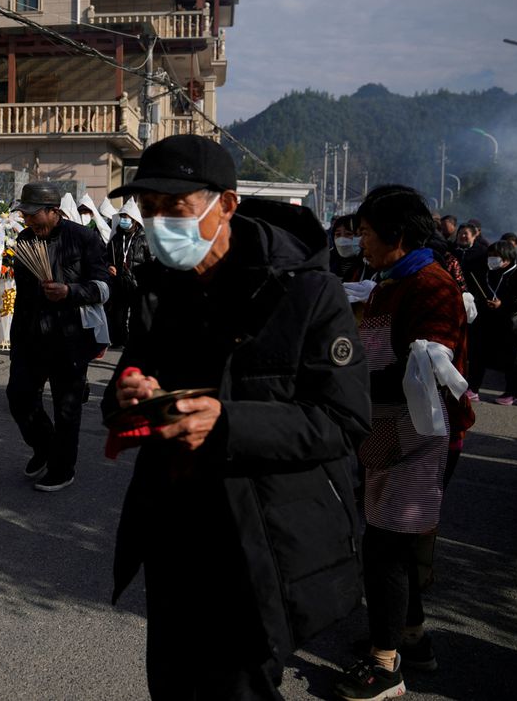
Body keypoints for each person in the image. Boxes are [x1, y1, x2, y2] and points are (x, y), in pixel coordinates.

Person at [104, 135, 369, 700]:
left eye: (172, 209)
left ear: (225, 204)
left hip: (257, 536)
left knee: (236, 688)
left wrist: (226, 424)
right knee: (172, 683)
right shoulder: (161, 287)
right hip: (173, 527)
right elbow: (125, 378)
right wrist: (130, 391)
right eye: (146, 210)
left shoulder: (307, 293)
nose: (156, 225)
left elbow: (341, 421)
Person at [338, 185, 470, 700]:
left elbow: (425, 377)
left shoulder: (430, 284)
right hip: (383, 428)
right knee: (390, 538)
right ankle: (409, 637)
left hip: (417, 433)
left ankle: (385, 665)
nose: (360, 243)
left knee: (386, 545)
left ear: (395, 234)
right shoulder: (389, 282)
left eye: (366, 233)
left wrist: (346, 386)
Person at [6, 181, 109, 492]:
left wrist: (70, 291)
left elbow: (104, 288)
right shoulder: (25, 239)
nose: (28, 221)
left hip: (70, 338)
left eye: (33, 214)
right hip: (30, 337)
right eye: (24, 214)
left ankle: (63, 468)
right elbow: (22, 296)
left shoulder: (84, 239)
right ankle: (45, 446)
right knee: (19, 397)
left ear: (54, 211)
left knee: (67, 408)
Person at [467, 240, 517, 405]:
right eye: (489, 256)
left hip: (509, 326)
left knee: (510, 360)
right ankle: (472, 389)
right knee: (478, 356)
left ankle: (512, 392)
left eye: (495, 256)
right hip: (486, 323)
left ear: (507, 258)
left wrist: (502, 304)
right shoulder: (486, 273)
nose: (491, 259)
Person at [105, 199, 148, 348]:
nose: (124, 221)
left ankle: (136, 343)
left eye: (126, 218)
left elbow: (151, 260)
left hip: (137, 282)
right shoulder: (116, 238)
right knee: (118, 315)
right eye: (122, 217)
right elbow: (106, 258)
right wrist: (109, 266)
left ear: (134, 220)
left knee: (137, 315)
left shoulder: (144, 238)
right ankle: (119, 341)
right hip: (118, 281)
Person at [329, 213, 372, 283]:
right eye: (338, 234)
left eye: (348, 234)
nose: (342, 239)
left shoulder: (370, 264)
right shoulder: (327, 262)